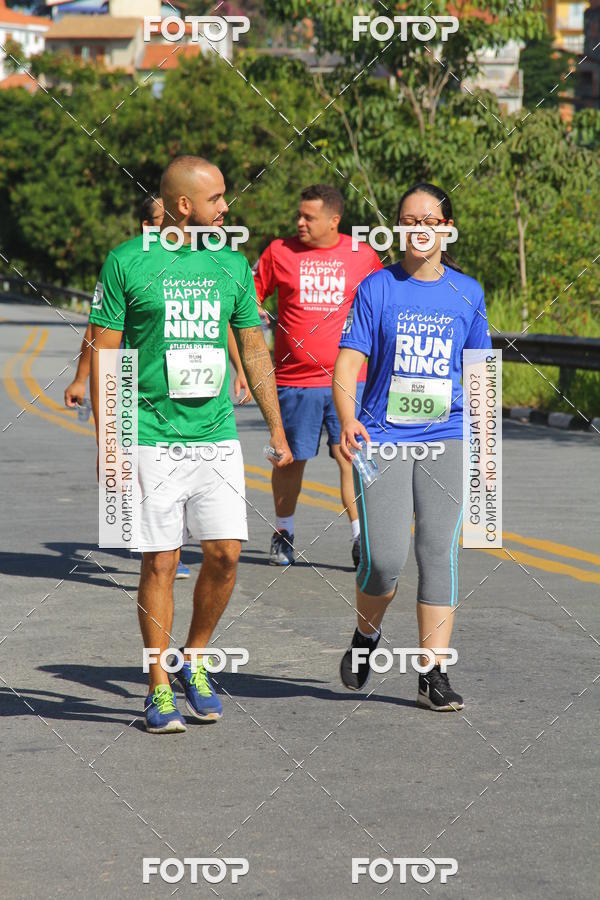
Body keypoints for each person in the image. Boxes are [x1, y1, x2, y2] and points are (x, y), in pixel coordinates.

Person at [89, 155, 292, 733]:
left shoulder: (231, 265)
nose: (226, 207)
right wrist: (112, 444)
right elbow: (106, 354)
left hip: (215, 437)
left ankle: (194, 658)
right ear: (184, 207)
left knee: (226, 555)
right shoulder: (128, 263)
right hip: (151, 435)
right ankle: (157, 689)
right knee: (162, 559)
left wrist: (276, 428)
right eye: (217, 198)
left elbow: (253, 348)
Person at [334, 182, 491, 711]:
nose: (419, 229)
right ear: (399, 228)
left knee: (437, 552)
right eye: (409, 220)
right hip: (383, 437)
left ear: (447, 229)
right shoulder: (378, 288)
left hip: (446, 434)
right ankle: (366, 635)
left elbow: (479, 373)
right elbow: (350, 362)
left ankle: (433, 673)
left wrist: (485, 445)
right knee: (384, 561)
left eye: (430, 220)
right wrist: (348, 417)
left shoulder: (468, 293)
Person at [65, 194, 251, 581]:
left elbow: (225, 324)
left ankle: (171, 553)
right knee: (157, 550)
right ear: (150, 226)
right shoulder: (130, 263)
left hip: (207, 417)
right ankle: (166, 554)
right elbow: (100, 341)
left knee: (218, 545)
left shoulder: (213, 264)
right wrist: (106, 436)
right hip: (142, 403)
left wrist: (240, 367)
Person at [253, 184, 382, 568]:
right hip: (294, 380)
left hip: (350, 381)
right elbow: (249, 296)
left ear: (334, 220)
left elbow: (382, 305)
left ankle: (361, 540)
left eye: (309, 217)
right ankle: (284, 533)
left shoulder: (363, 255)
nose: (300, 222)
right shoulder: (280, 251)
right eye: (299, 215)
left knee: (352, 458)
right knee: (289, 461)